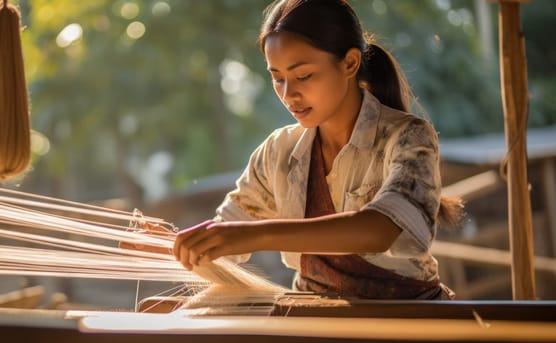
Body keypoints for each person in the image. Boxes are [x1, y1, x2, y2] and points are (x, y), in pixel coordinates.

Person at [173, 0, 460, 300]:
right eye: (277, 78)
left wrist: (251, 236)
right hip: (314, 318)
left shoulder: (408, 137)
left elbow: (381, 228)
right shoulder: (278, 152)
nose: (288, 94)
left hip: (411, 321)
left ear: (350, 63)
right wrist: (177, 245)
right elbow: (225, 234)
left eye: (303, 76)